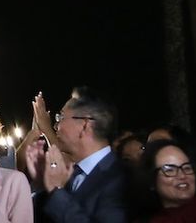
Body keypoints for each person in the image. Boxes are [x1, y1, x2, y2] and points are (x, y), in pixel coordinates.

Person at [27, 88, 127, 223]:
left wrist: (56, 190)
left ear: (85, 125)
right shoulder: (71, 174)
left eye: (61, 117)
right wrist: (42, 183)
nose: (56, 126)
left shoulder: (121, 179)